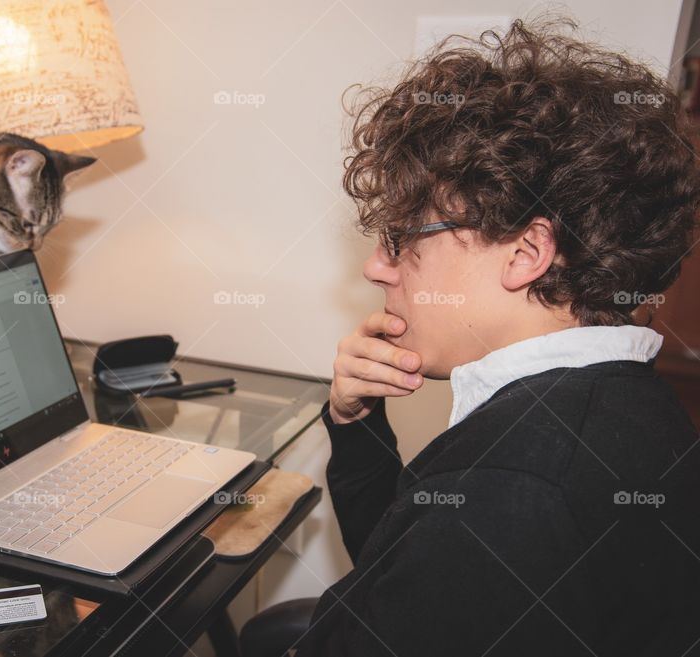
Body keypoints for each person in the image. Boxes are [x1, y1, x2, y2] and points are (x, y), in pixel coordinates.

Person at [298, 18, 700, 656]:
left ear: (527, 251)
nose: (376, 265)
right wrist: (356, 425)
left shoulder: (512, 487)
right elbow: (408, 573)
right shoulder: (627, 405)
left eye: (403, 235)